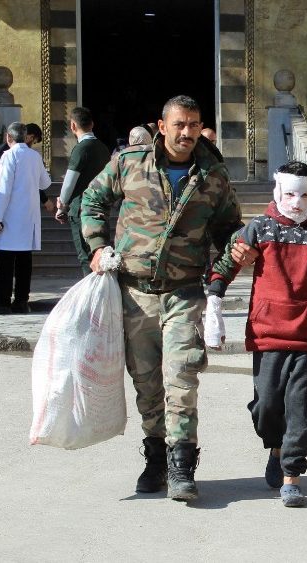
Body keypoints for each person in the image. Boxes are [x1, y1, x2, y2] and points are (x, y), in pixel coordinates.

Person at [81, 95, 244, 502]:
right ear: (162, 125)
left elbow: (228, 228)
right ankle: (156, 457)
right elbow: (93, 200)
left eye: (193, 124)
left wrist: (232, 257)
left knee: (181, 377)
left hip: (185, 293)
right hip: (135, 294)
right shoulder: (129, 162)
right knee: (147, 384)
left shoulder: (214, 176)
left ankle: (182, 464)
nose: (186, 132)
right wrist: (98, 246)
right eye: (179, 125)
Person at [204, 160, 307, 507]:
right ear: (277, 192)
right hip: (267, 334)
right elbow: (225, 265)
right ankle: (275, 447)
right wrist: (214, 307)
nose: (297, 202)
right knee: (266, 406)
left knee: (303, 409)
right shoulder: (258, 229)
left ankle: (292, 473)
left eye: (305, 195)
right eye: (291, 194)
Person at [0, 121, 52, 314]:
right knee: (25, 263)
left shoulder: (9, 156)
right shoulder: (35, 156)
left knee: (6, 263)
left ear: (9, 137)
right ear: (25, 136)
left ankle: (2, 302)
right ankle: (22, 301)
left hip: (10, 217)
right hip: (29, 218)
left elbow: (3, 189)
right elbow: (46, 182)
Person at [55, 107, 111, 276]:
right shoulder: (103, 148)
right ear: (92, 124)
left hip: (80, 208)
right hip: (101, 207)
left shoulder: (81, 149)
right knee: (98, 253)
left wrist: (62, 205)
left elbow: (69, 181)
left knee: (86, 257)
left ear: (73, 126)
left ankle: (91, 296)